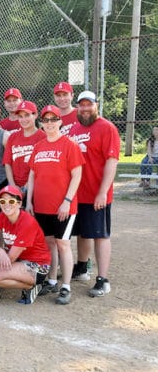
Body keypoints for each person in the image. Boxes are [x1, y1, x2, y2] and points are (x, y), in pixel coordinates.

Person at [26, 105, 84, 305]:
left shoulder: (69, 144)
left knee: (63, 244)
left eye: (53, 119)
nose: (49, 123)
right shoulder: (39, 146)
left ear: (60, 122)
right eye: (46, 120)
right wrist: (28, 202)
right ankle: (51, 279)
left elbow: (77, 174)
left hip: (63, 207)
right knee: (49, 243)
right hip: (41, 206)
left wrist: (67, 201)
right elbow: (32, 175)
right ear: (41, 124)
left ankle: (66, 286)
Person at [70, 91, 120, 297]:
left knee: (100, 235)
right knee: (82, 232)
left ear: (96, 106)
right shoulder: (73, 128)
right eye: (81, 105)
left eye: (88, 105)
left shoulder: (107, 128)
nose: (84, 109)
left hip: (97, 194)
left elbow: (112, 161)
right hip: (77, 193)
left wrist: (102, 192)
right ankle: (82, 267)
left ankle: (103, 279)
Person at [0, 186, 51, 305]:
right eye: (2, 201)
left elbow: (11, 258)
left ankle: (31, 287)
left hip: (36, 265)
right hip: (16, 257)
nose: (7, 204)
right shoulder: (3, 216)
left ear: (19, 203)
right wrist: (0, 251)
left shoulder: (27, 222)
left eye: (11, 201)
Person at [2, 100, 46, 196]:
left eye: (27, 115)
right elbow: (7, 163)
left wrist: (26, 186)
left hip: (35, 186)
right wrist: (13, 185)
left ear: (35, 115)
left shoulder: (43, 137)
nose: (23, 119)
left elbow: (41, 167)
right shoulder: (13, 137)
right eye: (20, 116)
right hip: (14, 186)